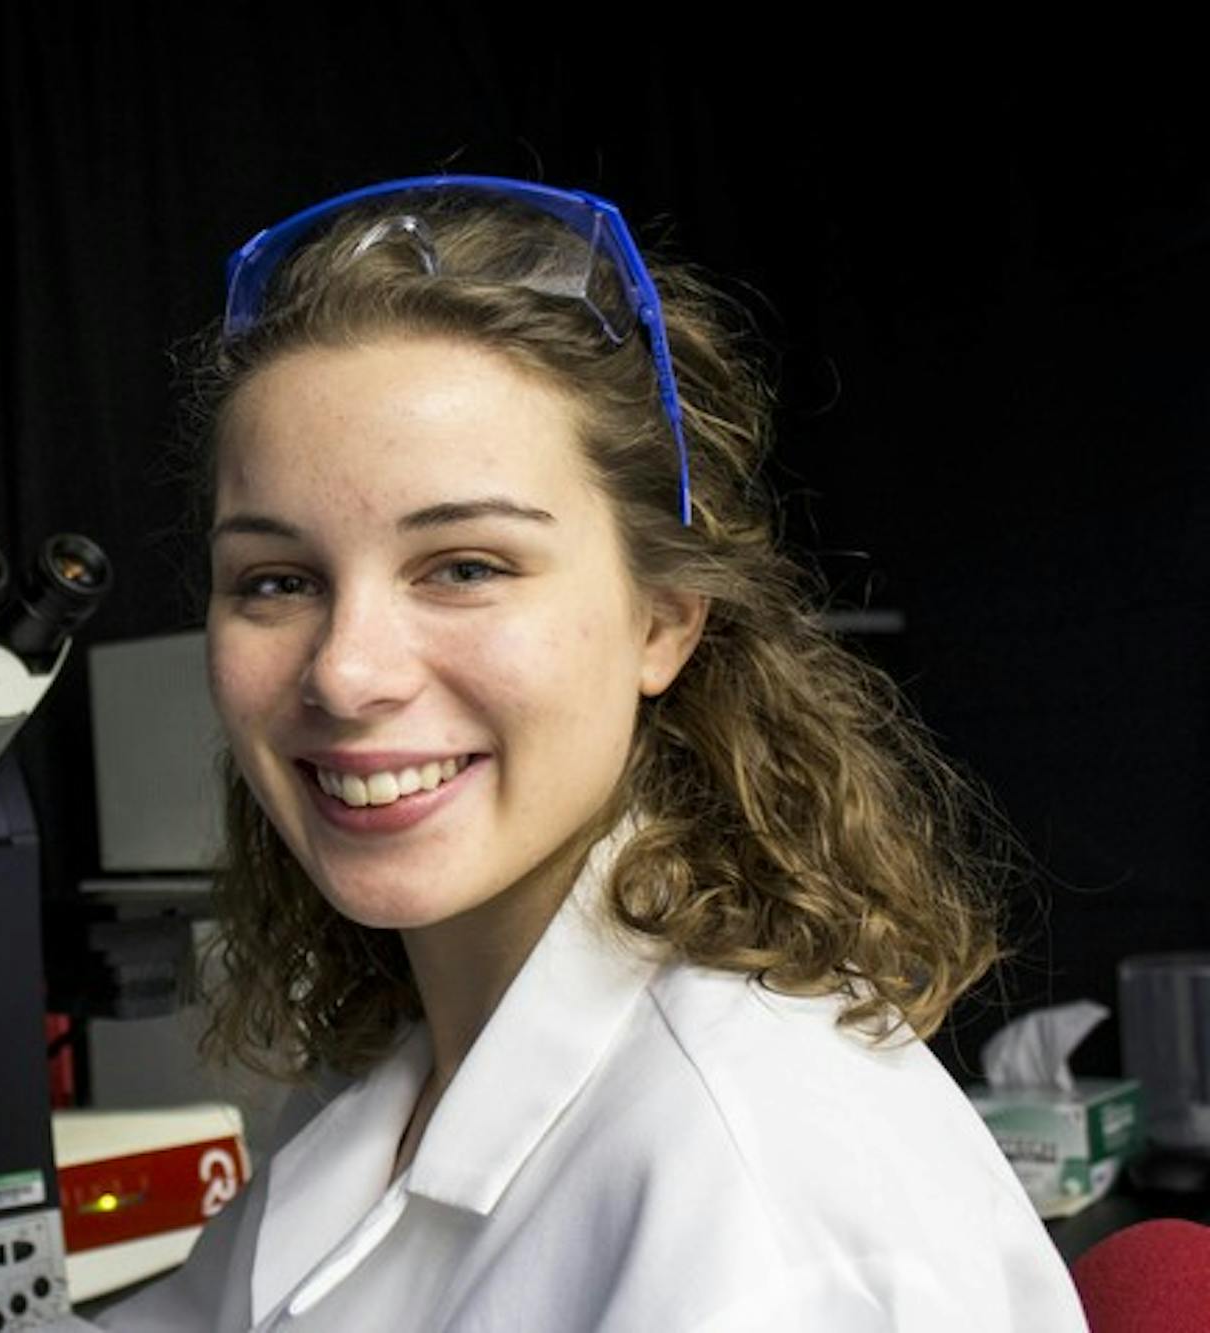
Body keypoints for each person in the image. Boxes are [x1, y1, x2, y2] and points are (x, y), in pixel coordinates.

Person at [89, 176, 1088, 1331]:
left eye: (465, 566)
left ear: (662, 619)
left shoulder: (760, 1208)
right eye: (275, 581)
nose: (345, 671)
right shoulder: (404, 1067)